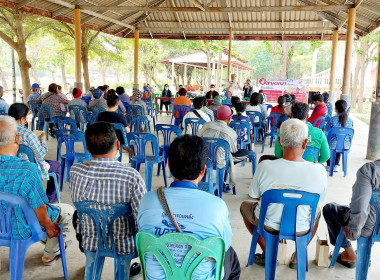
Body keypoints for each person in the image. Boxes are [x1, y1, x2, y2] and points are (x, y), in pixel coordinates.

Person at [138, 135, 240, 280]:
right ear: (203, 170)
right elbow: (225, 243)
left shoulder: (147, 200)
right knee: (230, 255)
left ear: (168, 165)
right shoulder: (217, 206)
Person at [241, 119, 327, 268]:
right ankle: (298, 255)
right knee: (317, 211)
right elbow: (321, 198)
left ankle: (268, 250)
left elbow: (254, 196)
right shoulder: (319, 170)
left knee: (244, 206)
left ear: (279, 141)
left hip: (267, 224)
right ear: (305, 143)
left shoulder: (264, 166)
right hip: (302, 226)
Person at [70, 122, 145, 277]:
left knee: (76, 216)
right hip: (124, 244)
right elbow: (141, 217)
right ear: (118, 145)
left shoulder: (75, 171)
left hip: (90, 241)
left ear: (88, 148)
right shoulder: (131, 176)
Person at [0, 115, 74, 265]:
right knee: (67, 210)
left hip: (2, 227)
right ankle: (50, 253)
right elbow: (39, 207)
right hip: (22, 229)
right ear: (17, 138)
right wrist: (49, 226)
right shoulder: (27, 170)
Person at [323, 160, 380, 268]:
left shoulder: (370, 170)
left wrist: (353, 233)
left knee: (330, 208)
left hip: (367, 227)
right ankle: (364, 253)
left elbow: (360, 208)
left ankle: (350, 253)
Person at [8, 103, 61, 203]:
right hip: (30, 167)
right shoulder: (28, 134)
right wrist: (42, 140)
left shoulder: (4, 130)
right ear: (22, 118)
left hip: (11, 166)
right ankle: (50, 198)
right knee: (57, 165)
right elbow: (41, 153)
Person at [197, 105, 249, 192]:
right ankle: (224, 181)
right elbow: (233, 150)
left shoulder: (206, 125)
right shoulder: (231, 132)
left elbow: (198, 138)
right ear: (229, 119)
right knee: (244, 152)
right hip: (221, 162)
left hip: (204, 159)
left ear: (216, 116)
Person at [325, 100, 353, 172]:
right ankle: (336, 165)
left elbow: (327, 129)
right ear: (345, 108)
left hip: (332, 145)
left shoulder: (332, 119)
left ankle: (329, 165)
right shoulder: (350, 120)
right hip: (346, 145)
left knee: (332, 141)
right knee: (341, 140)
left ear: (336, 109)